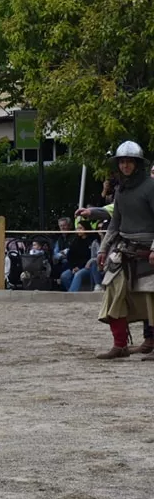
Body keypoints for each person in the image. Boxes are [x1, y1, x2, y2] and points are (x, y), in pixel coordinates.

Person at [95, 141, 154, 360]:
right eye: (122, 161)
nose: (126, 165)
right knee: (113, 293)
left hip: (148, 251)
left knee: (151, 297)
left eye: (130, 161)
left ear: (137, 164)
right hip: (124, 250)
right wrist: (102, 250)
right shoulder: (120, 190)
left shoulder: (151, 187)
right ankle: (120, 345)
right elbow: (114, 223)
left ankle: (152, 341)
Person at [59, 222, 94, 291]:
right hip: (75, 267)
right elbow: (70, 256)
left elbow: (90, 257)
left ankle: (71, 296)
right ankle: (74, 292)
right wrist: (73, 268)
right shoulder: (75, 240)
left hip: (87, 267)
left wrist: (79, 267)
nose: (78, 230)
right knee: (64, 276)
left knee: (78, 274)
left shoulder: (92, 241)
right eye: (77, 228)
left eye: (80, 228)